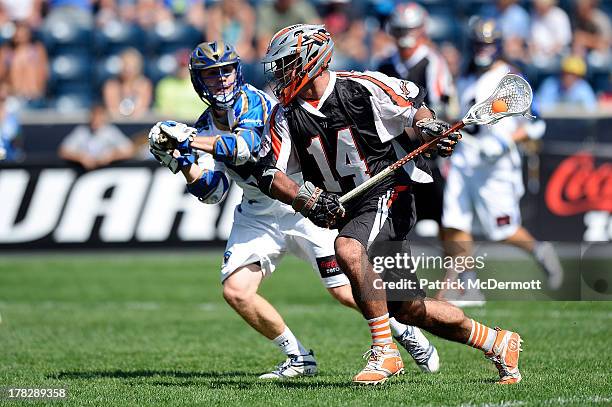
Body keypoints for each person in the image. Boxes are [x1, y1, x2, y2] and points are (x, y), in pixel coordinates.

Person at [148, 40, 439, 380]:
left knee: (344, 290)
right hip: (257, 212)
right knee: (236, 291)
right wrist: (179, 161)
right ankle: (298, 357)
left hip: (302, 200)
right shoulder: (203, 126)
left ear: (238, 72)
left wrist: (187, 140)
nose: (222, 80)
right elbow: (214, 191)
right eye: (212, 75)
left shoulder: (255, 103)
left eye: (226, 71)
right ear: (199, 81)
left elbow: (247, 150)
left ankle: (402, 331)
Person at [251, 24, 523, 385]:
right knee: (408, 308)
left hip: (388, 192)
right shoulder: (285, 114)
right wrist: (306, 200)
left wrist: (428, 130)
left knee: (346, 249)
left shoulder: (360, 86)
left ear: (312, 59)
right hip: (350, 206)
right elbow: (271, 175)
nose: (282, 74)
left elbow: (414, 111)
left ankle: (385, 352)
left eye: (287, 63)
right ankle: (498, 342)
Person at [439, 19, 564, 305]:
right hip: (465, 158)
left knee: (502, 230)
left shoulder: (509, 78)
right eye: (479, 44)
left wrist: (506, 141)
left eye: (488, 44)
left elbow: (536, 124)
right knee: (454, 221)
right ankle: (467, 285)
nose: (483, 50)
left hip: (496, 166)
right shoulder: (465, 77)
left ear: (496, 45)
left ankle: (540, 250)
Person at [376, 2, 457, 232]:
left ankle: (455, 266)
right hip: (392, 149)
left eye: (409, 29)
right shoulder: (384, 64)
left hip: (427, 150)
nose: (404, 36)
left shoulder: (433, 62)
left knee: (441, 219)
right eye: (400, 30)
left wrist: (416, 128)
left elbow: (441, 109)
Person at [58, 104, 133, 170]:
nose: (95, 121)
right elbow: (63, 151)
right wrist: (81, 158)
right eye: (94, 117)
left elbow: (129, 150)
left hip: (107, 173)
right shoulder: (82, 131)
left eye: (99, 117)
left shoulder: (111, 132)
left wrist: (111, 156)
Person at [154, 49, 207, 120]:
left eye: (185, 65)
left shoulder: (201, 83)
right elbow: (164, 112)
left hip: (201, 123)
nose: (183, 69)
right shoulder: (165, 84)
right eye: (181, 65)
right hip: (175, 126)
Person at [103, 48, 153, 119]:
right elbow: (113, 111)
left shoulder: (144, 85)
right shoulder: (111, 85)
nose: (128, 69)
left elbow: (140, 112)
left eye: (132, 65)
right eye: (125, 64)